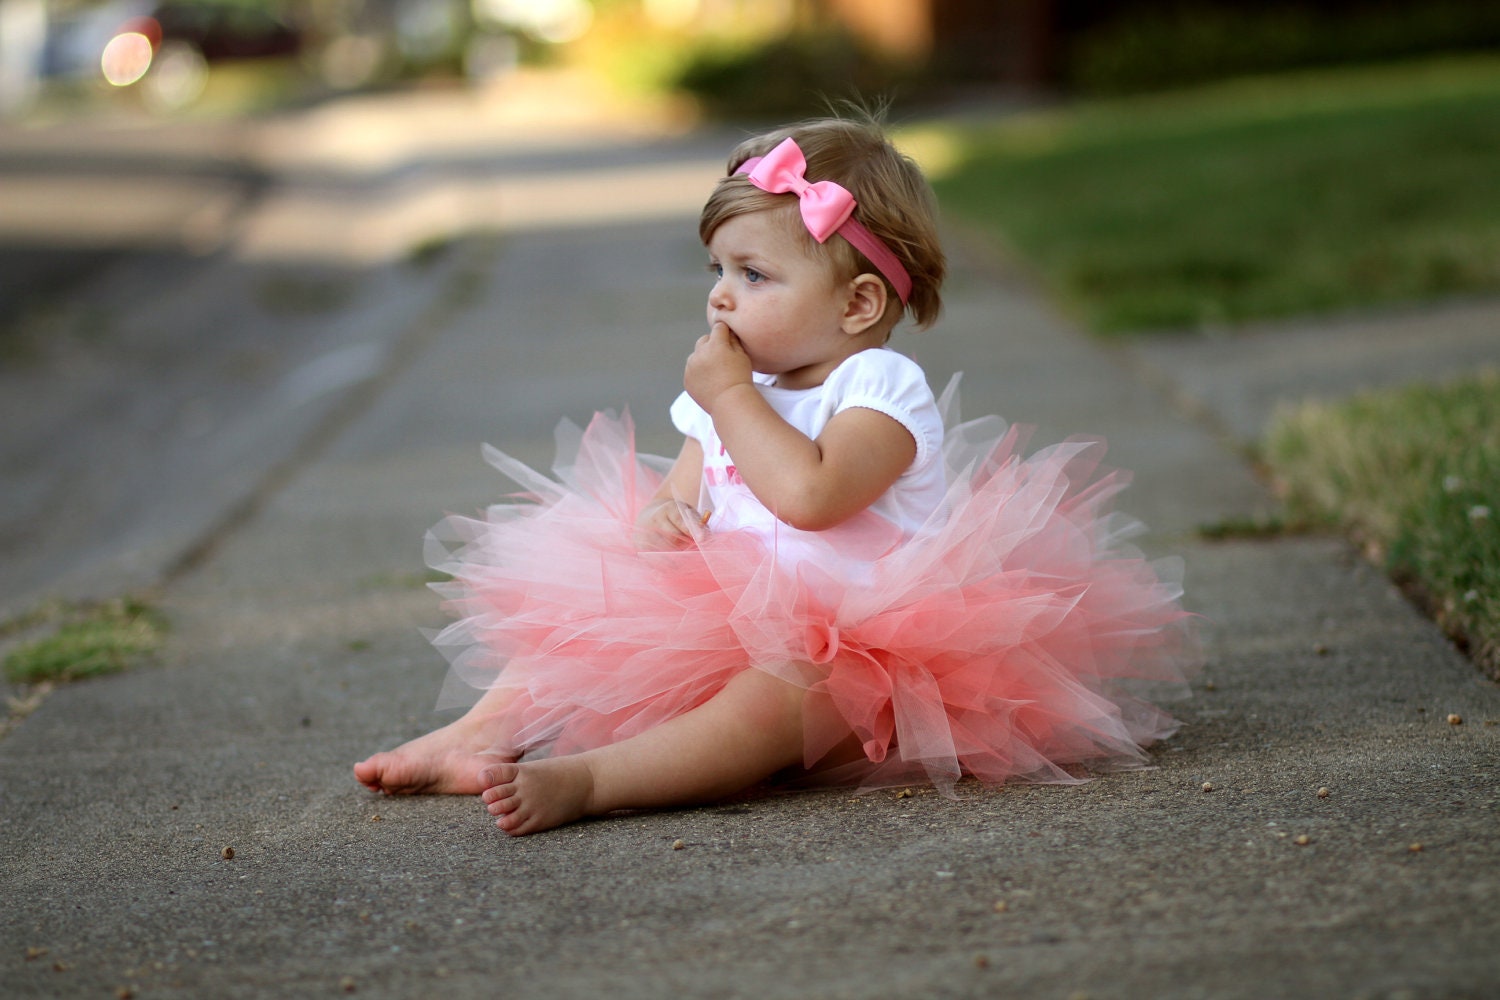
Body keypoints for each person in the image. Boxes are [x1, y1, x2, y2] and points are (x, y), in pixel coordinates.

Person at [354, 111, 1198, 836]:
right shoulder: (742, 384)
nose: (721, 298)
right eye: (717, 271)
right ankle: (479, 730)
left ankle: (594, 781)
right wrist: (664, 520)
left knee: (772, 705)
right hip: (723, 618)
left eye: (753, 275)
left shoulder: (879, 390)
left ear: (857, 305)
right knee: (580, 609)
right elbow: (687, 486)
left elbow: (811, 496)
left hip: (858, 647)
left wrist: (730, 401)